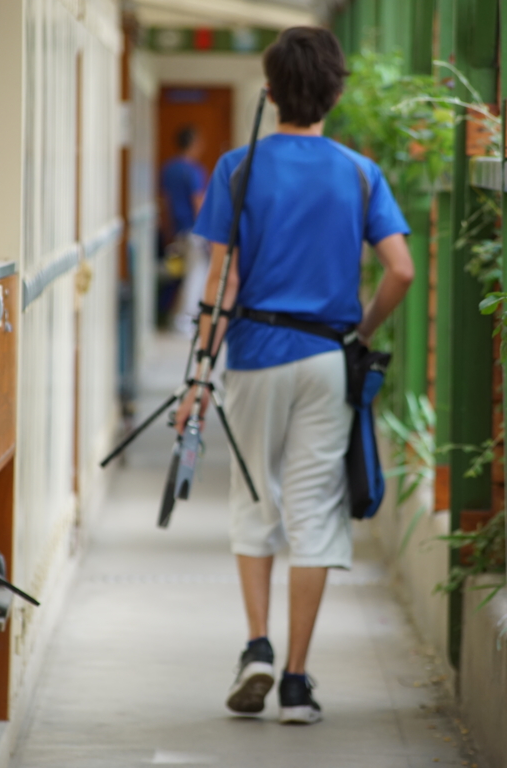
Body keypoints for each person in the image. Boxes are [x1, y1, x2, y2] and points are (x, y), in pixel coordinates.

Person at [176, 27, 414, 724]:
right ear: (335, 94)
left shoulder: (238, 167)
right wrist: (360, 332)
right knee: (314, 514)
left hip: (256, 353)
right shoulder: (360, 173)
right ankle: (298, 685)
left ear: (271, 91)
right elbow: (401, 270)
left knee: (256, 503)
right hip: (327, 358)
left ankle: (257, 647)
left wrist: (198, 379)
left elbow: (223, 281)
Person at [159, 126, 208, 334]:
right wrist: (206, 230)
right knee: (196, 274)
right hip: (193, 229)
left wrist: (167, 230)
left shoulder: (168, 169)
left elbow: (165, 202)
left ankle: (177, 317)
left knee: (184, 273)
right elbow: (198, 201)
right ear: (194, 144)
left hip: (177, 228)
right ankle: (184, 319)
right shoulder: (194, 170)